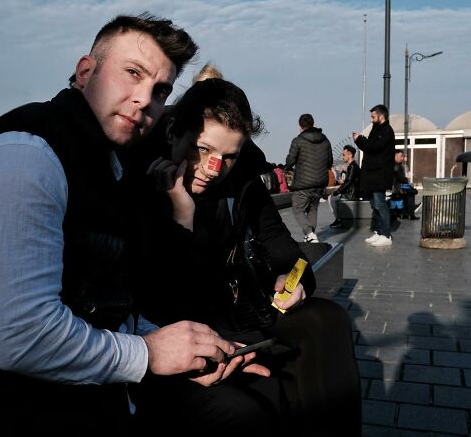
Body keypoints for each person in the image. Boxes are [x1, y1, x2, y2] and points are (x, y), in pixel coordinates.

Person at [0, 14, 257, 436]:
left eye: (160, 90)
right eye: (132, 73)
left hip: (54, 395)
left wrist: (185, 349)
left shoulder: (105, 162)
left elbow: (92, 294)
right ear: (86, 71)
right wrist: (149, 354)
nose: (144, 99)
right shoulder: (25, 154)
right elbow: (24, 336)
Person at [136, 78, 361, 434]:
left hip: (241, 306)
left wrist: (294, 278)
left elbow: (283, 245)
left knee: (329, 320)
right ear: (174, 134)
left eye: (228, 156)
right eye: (201, 149)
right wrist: (183, 215)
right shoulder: (141, 182)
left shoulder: (241, 182)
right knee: (262, 388)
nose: (213, 169)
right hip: (178, 319)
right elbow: (168, 292)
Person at [285, 114, 333, 243]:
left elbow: (290, 160)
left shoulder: (298, 140)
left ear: (300, 125)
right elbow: (330, 162)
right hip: (320, 182)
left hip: (303, 183)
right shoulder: (325, 140)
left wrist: (288, 166)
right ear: (313, 124)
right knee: (313, 208)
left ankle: (309, 233)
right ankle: (310, 236)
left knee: (298, 208)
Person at [353, 104, 395, 247]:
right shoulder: (377, 130)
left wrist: (359, 139)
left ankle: (386, 234)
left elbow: (374, 147)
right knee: (375, 205)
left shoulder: (386, 131)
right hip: (373, 174)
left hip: (379, 174)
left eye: (373, 117)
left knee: (380, 204)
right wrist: (362, 139)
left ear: (381, 116)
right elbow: (371, 145)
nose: (371, 120)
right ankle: (378, 231)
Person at [328, 144, 360, 228]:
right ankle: (339, 218)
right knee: (332, 197)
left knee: (332, 198)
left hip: (351, 194)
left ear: (350, 154)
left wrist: (336, 192)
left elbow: (348, 182)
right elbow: (350, 181)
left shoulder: (352, 166)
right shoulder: (353, 166)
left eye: (344, 154)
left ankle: (338, 219)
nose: (342, 157)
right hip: (352, 191)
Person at [392, 150, 419, 220]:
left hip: (396, 186)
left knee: (410, 191)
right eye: (401, 156)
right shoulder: (397, 166)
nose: (402, 158)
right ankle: (410, 213)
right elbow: (401, 178)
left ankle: (404, 213)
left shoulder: (395, 165)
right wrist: (406, 179)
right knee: (411, 192)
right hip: (396, 187)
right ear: (395, 156)